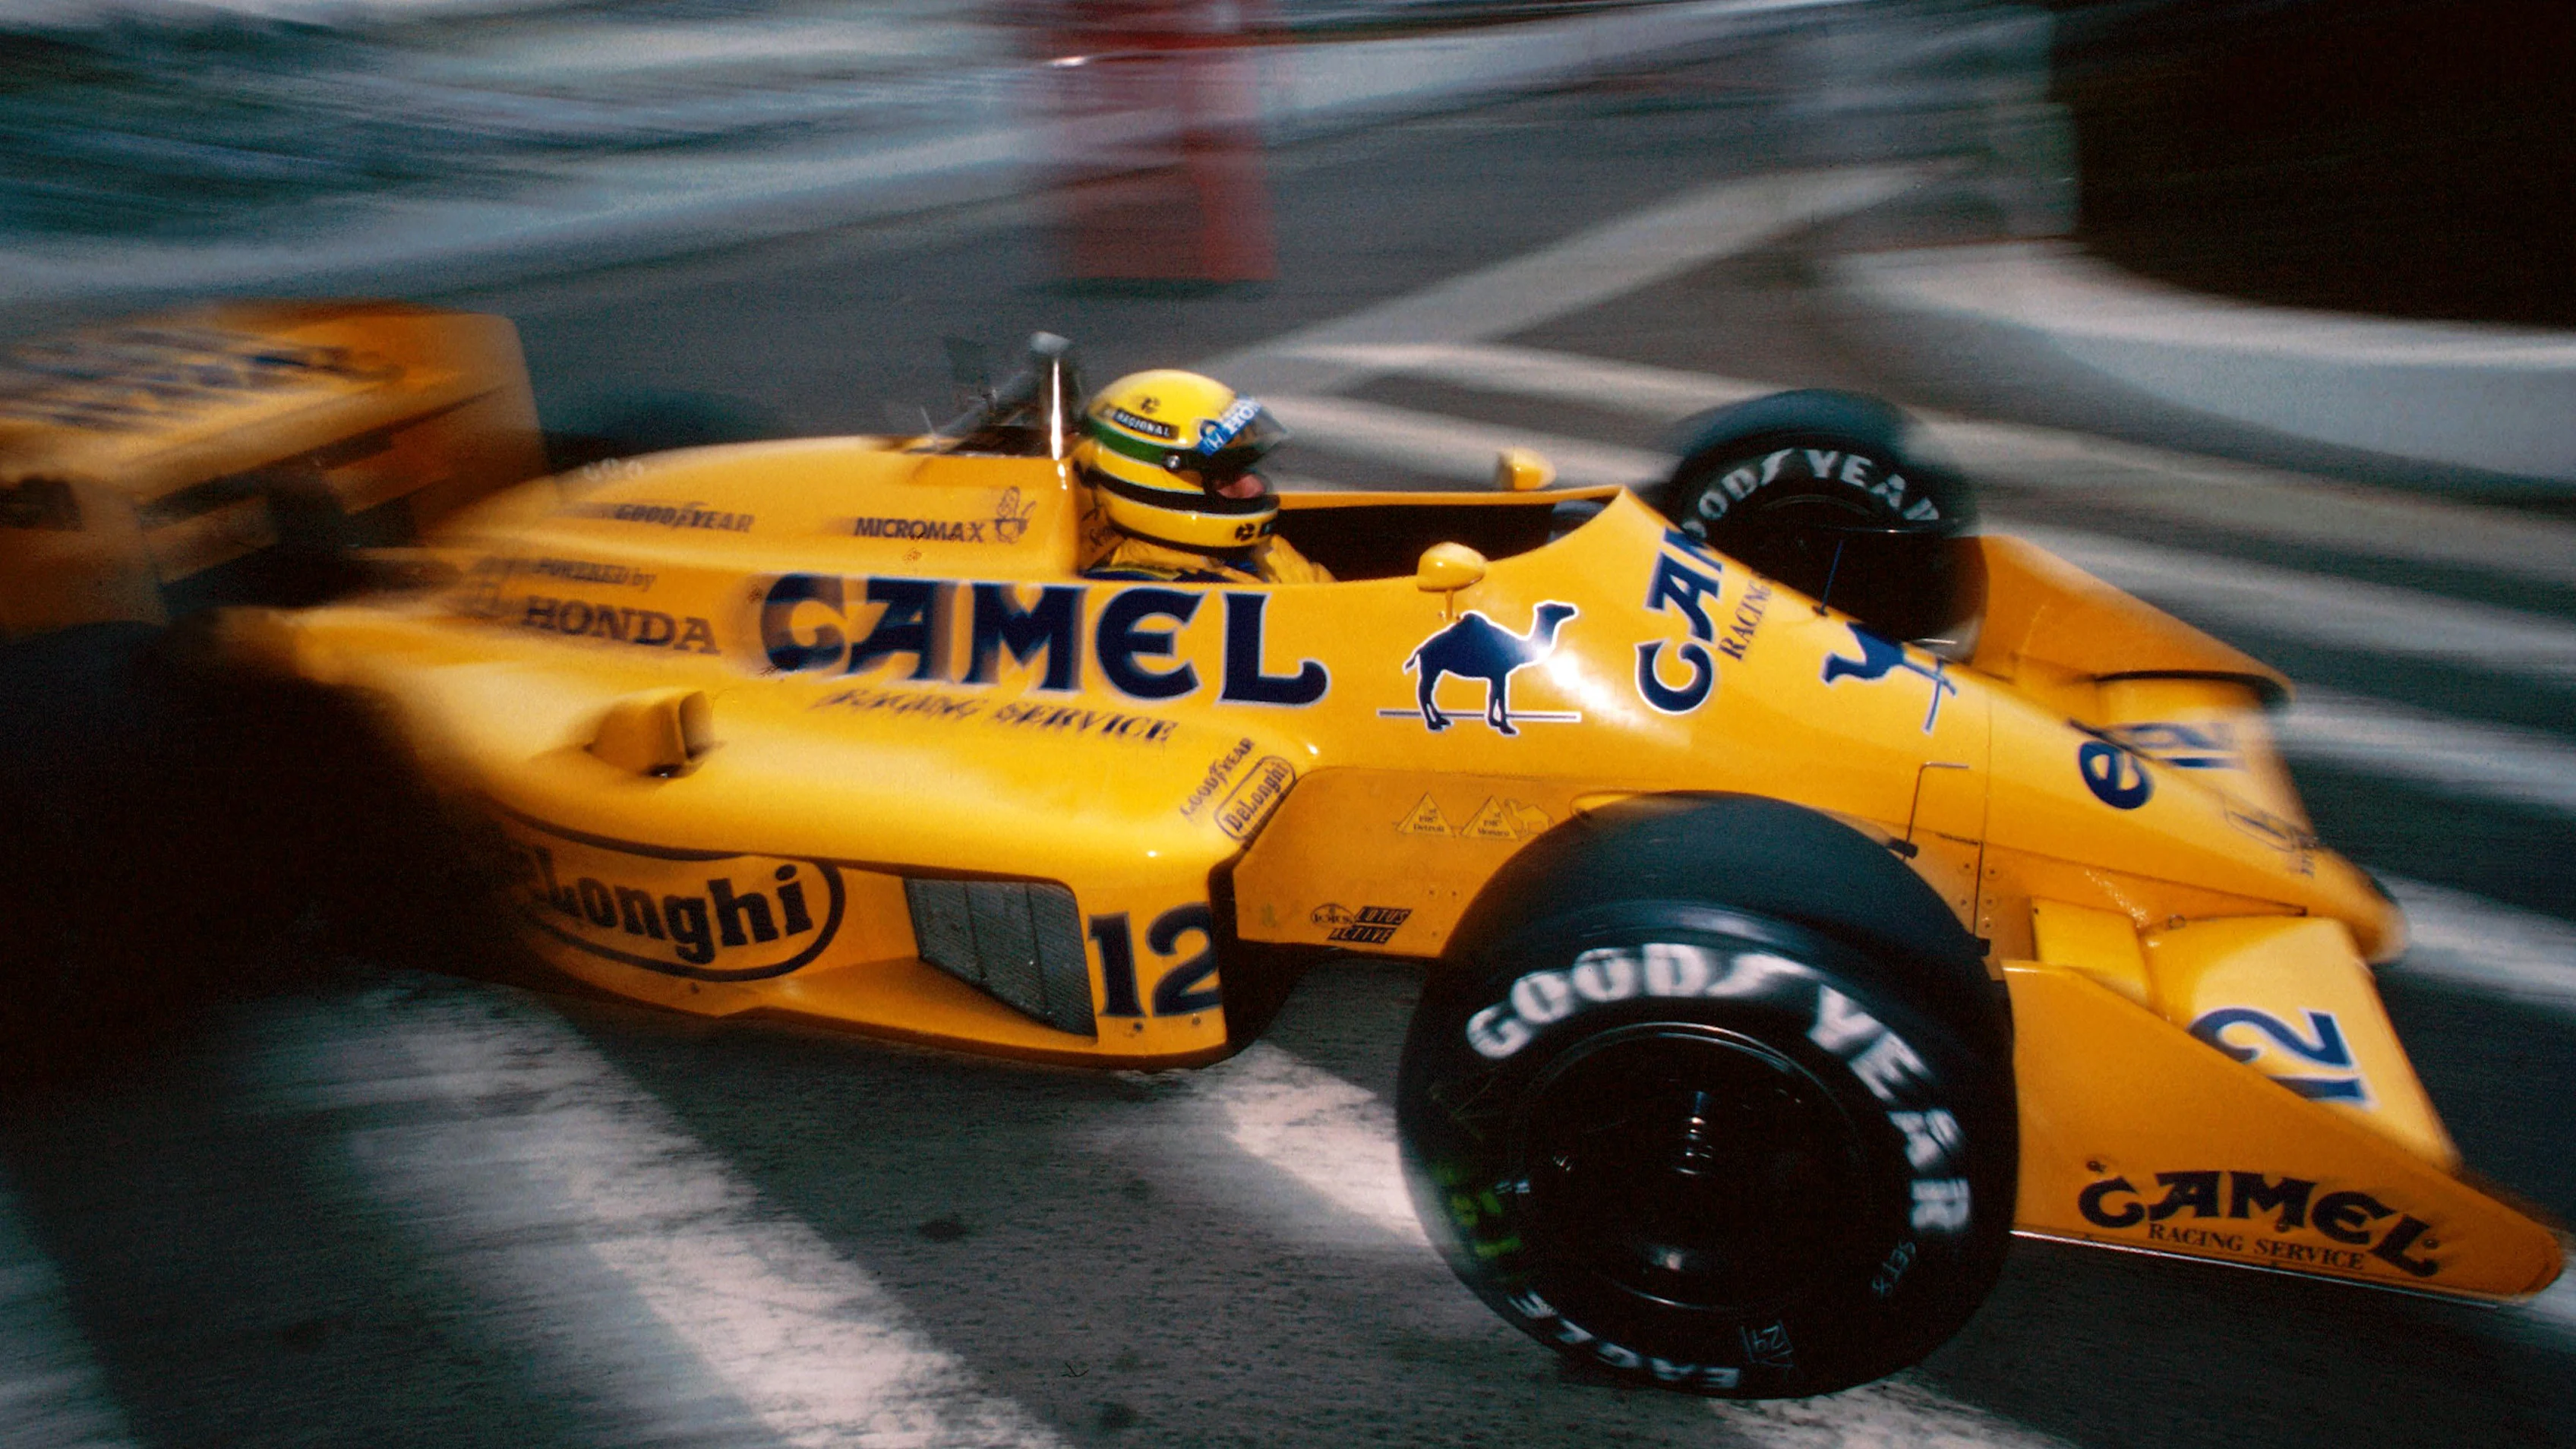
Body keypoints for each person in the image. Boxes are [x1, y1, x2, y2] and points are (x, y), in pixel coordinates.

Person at [1074, 369, 1331, 584]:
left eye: (1245, 469)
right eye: (1224, 479)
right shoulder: (1162, 599)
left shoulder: (1259, 550)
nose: (1253, 486)